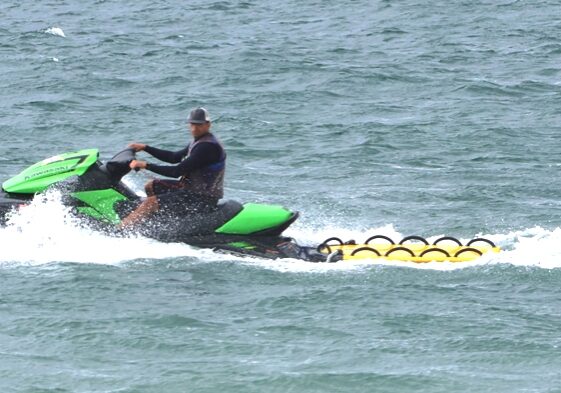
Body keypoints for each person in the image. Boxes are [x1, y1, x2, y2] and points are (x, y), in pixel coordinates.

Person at [120, 107, 226, 228]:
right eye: (192, 124)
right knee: (151, 185)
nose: (195, 128)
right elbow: (174, 157)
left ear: (208, 125)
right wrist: (145, 148)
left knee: (151, 203)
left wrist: (146, 165)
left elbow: (176, 171)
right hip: (190, 190)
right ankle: (160, 220)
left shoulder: (207, 147)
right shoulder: (199, 141)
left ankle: (121, 230)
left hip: (202, 198)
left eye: (199, 125)